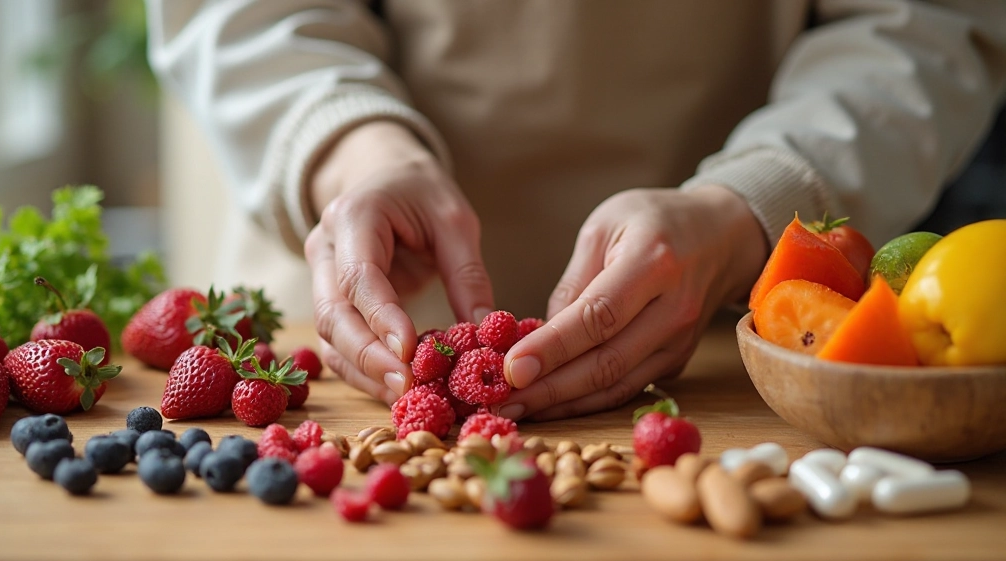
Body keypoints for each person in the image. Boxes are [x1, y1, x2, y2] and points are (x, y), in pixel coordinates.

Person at [147, 0, 1006, 421]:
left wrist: (748, 203)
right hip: (345, 334)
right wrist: (353, 149)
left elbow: (920, 24)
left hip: (728, 340)